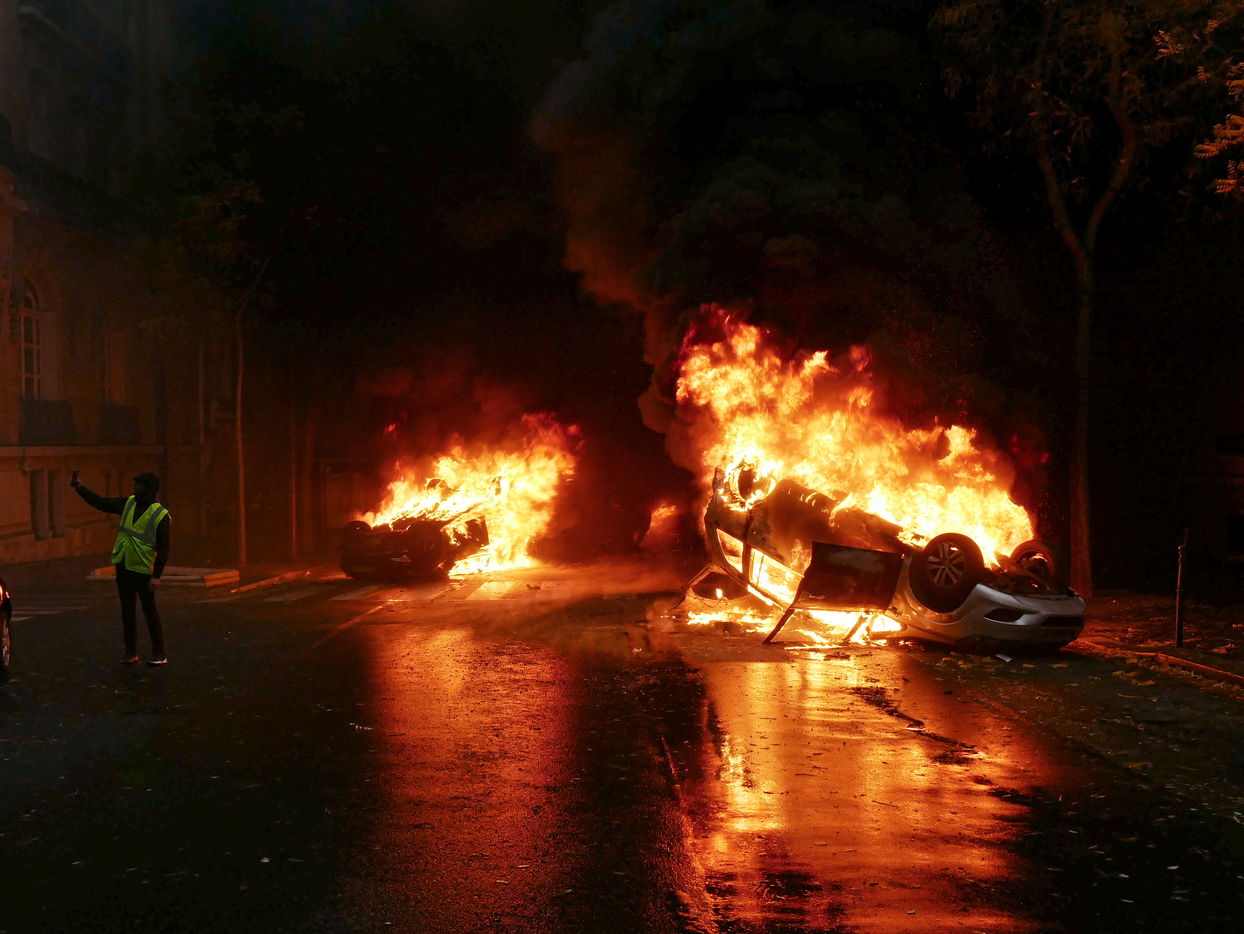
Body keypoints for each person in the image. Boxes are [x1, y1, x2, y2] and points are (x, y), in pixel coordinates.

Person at [70, 470, 170, 666]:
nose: (134, 486)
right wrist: (79, 488)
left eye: (138, 484)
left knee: (149, 612)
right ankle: (130, 652)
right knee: (127, 611)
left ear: (148, 488)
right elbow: (101, 503)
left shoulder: (161, 515)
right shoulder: (129, 503)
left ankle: (159, 653)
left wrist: (156, 576)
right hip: (123, 565)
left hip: (144, 569)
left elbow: (164, 548)